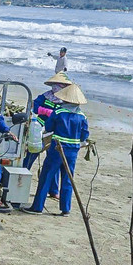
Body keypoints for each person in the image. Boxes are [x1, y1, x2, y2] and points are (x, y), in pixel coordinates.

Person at [27, 83, 89, 216]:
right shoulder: (82, 116)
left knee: (47, 176)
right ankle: (65, 209)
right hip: (73, 151)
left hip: (57, 149)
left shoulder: (59, 112)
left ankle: (38, 207)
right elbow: (84, 135)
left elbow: (49, 127)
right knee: (68, 179)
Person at [23, 71, 70, 173]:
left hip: (56, 133)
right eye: (55, 85)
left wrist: (55, 115)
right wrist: (44, 111)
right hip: (39, 130)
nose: (56, 87)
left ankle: (52, 187)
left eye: (60, 86)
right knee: (32, 152)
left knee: (53, 160)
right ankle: (24, 172)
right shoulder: (46, 96)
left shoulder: (67, 101)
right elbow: (33, 105)